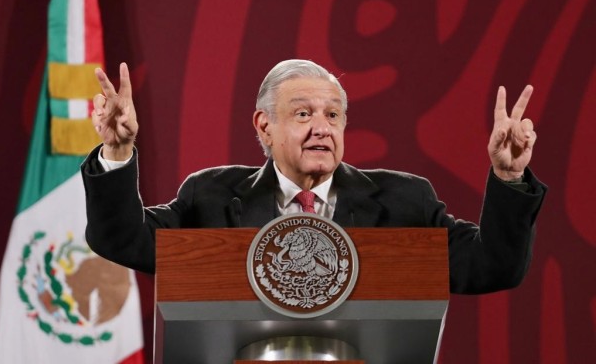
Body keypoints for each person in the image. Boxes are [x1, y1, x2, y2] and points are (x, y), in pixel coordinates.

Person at [82, 59, 547, 294]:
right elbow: (122, 239)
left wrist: (508, 177)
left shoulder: (405, 201)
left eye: (333, 114)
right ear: (265, 126)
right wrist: (117, 152)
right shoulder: (210, 197)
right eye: (303, 113)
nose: (323, 128)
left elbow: (493, 266)